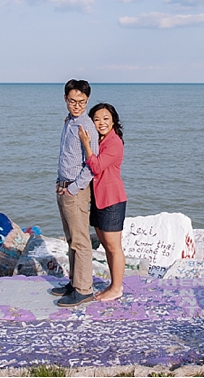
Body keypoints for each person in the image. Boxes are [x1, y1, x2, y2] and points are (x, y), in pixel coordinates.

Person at [52, 79, 99, 307]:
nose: (77, 105)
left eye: (81, 102)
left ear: (87, 101)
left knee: (80, 241)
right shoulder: (69, 121)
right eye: (72, 101)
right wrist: (60, 183)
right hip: (63, 186)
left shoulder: (86, 126)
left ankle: (84, 289)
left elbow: (92, 165)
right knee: (71, 239)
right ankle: (74, 283)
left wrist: (71, 188)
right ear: (65, 100)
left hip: (75, 190)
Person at [78, 103, 127, 302]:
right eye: (97, 119)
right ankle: (113, 284)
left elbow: (97, 167)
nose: (101, 123)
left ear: (113, 120)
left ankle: (117, 288)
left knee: (114, 247)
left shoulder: (114, 143)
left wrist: (86, 144)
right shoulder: (101, 139)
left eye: (106, 118)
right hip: (98, 199)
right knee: (106, 246)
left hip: (112, 200)